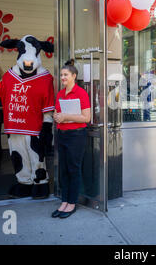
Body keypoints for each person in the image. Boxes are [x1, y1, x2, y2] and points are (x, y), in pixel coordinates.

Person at [52, 60, 91, 218]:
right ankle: (64, 201)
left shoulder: (81, 93)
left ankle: (72, 203)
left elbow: (86, 118)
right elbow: (56, 113)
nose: (62, 77)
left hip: (76, 136)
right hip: (62, 134)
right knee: (63, 170)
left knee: (73, 169)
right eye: (61, 75)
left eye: (65, 75)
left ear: (74, 76)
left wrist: (66, 116)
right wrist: (56, 116)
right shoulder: (61, 94)